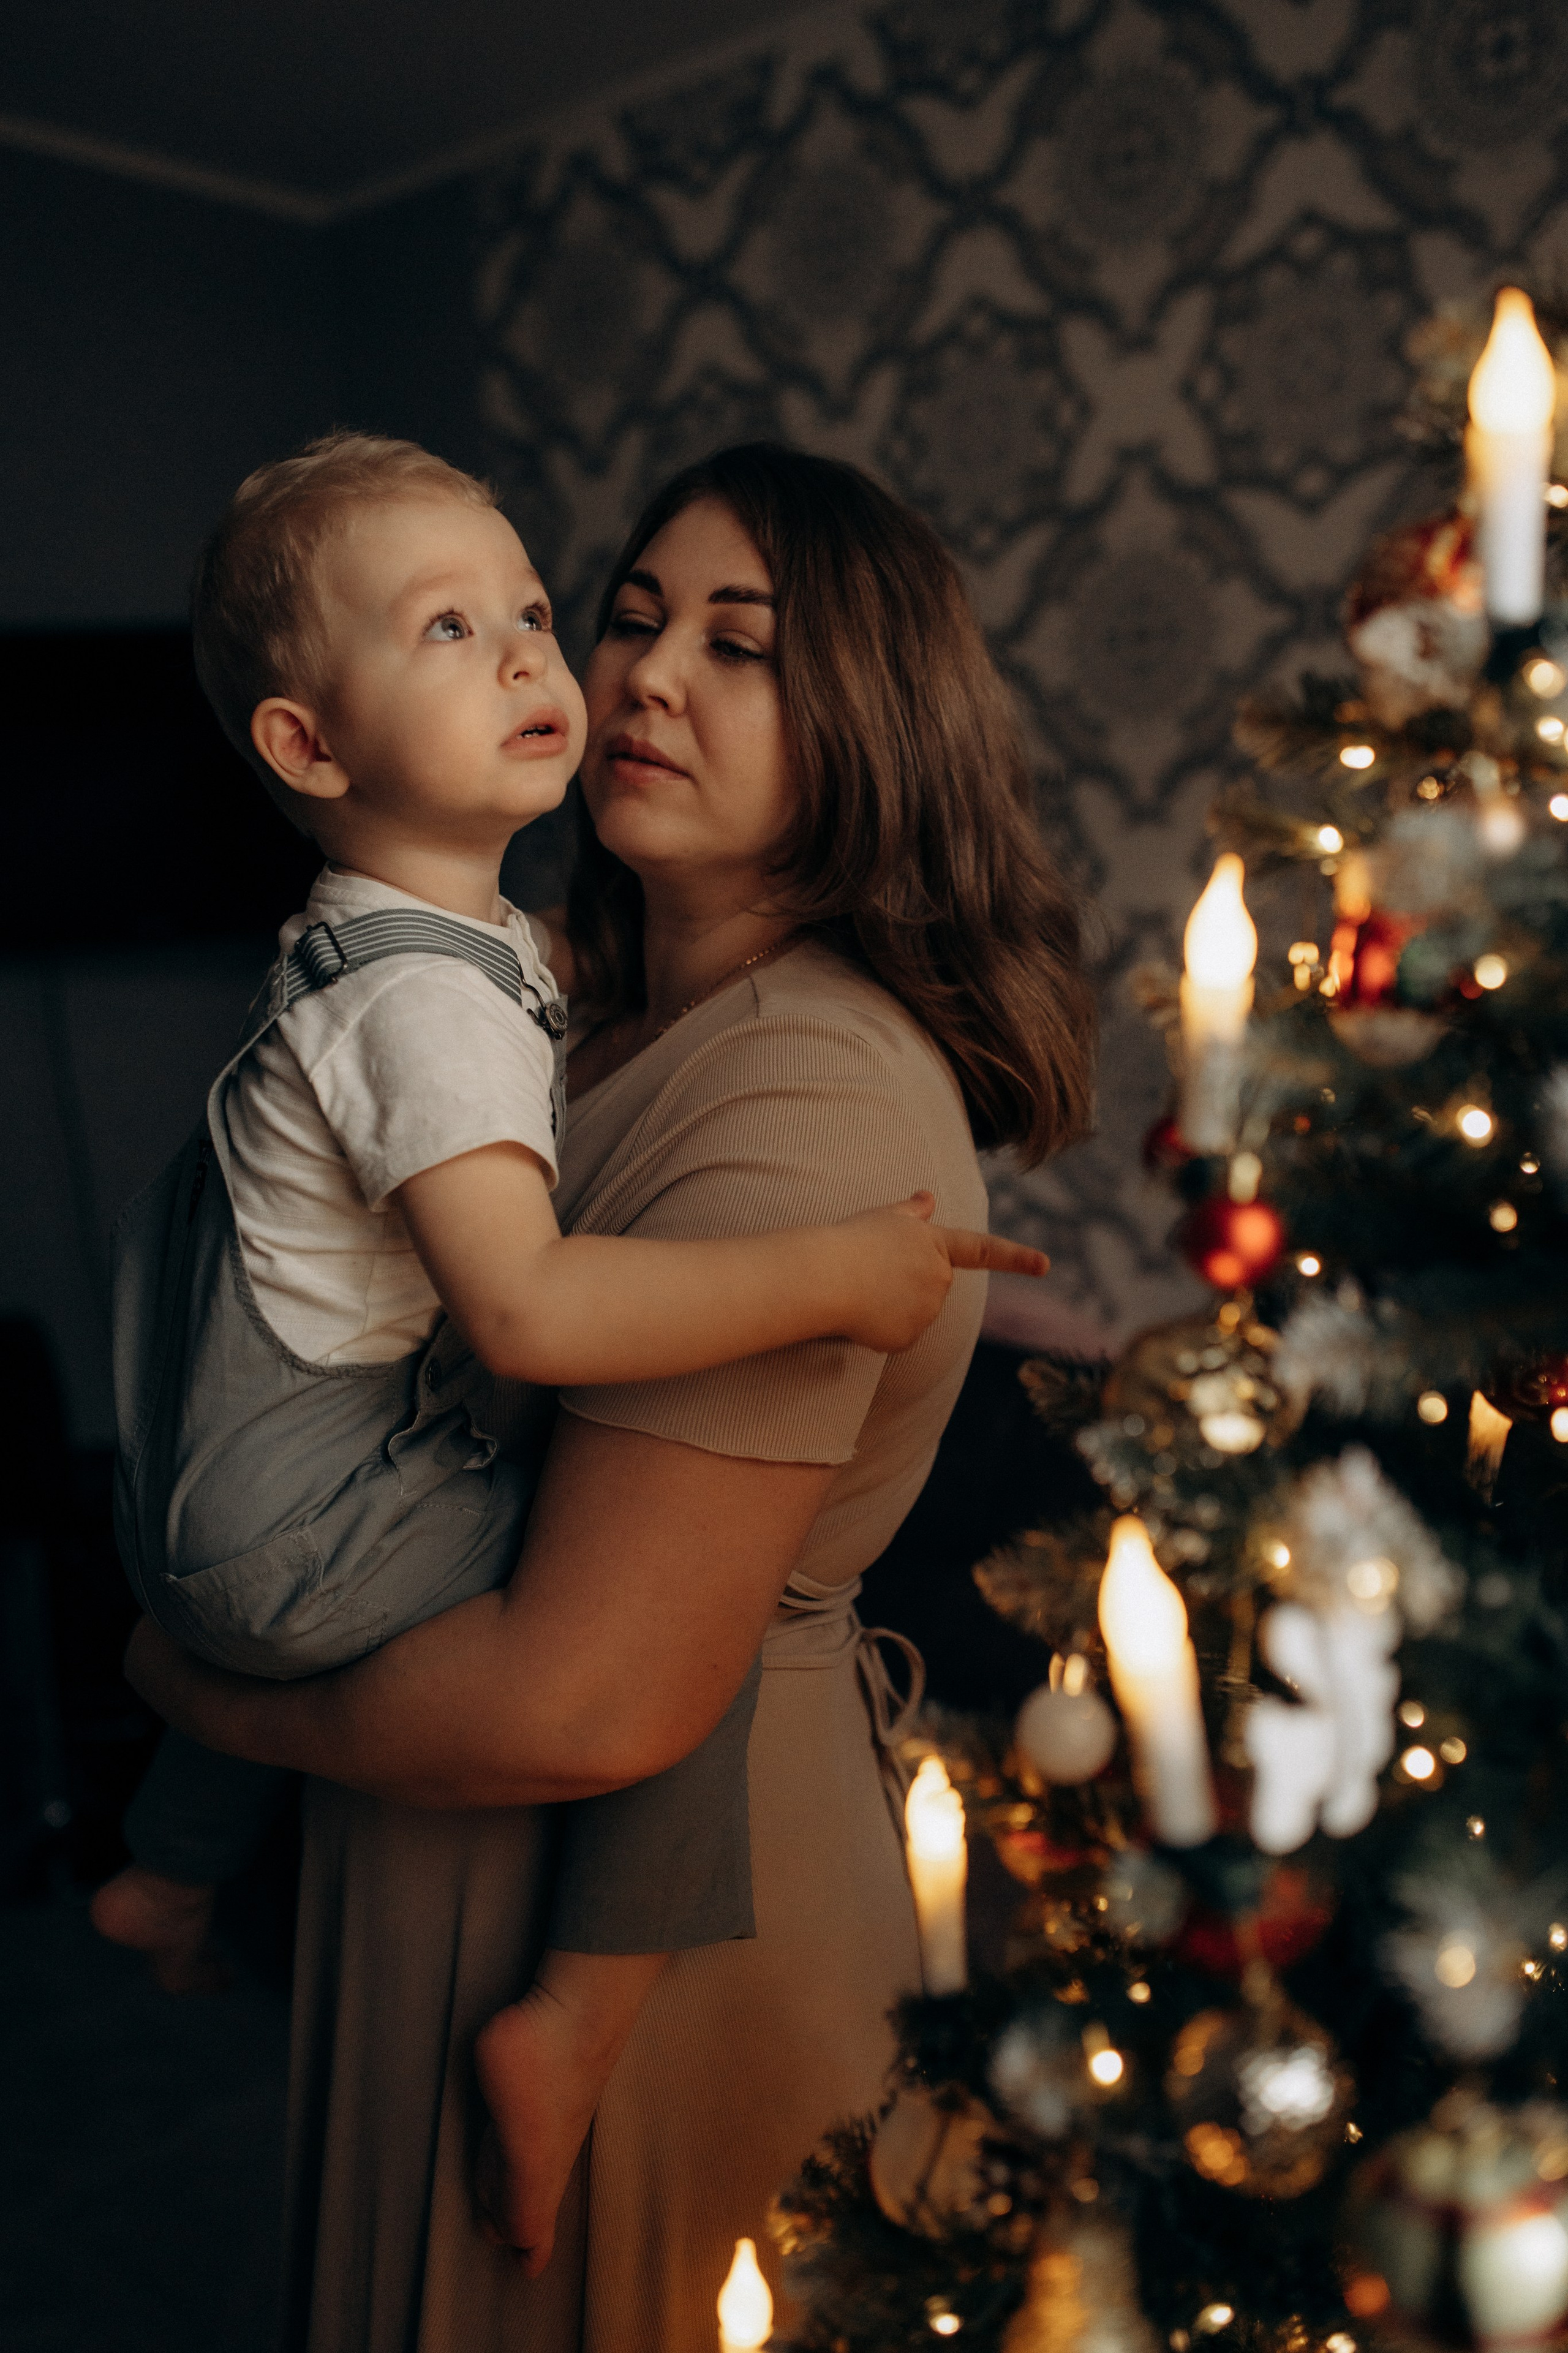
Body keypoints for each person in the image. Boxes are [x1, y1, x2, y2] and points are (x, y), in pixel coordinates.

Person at [126, 443, 1096, 2351]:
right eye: (632, 617)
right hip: (442, 1800)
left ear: (874, 723)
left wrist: (187, 1689)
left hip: (659, 1908)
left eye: (739, 644)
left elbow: (600, 1688)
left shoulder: (807, 1086)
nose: (645, 673)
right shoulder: (555, 1004)